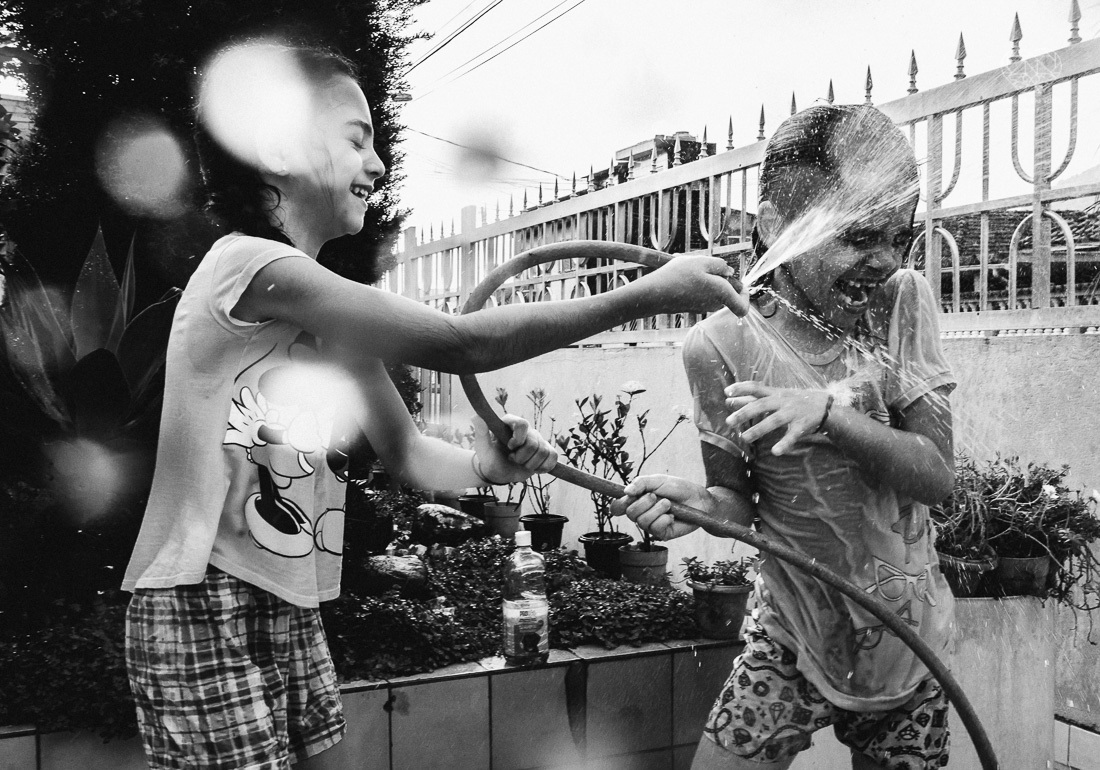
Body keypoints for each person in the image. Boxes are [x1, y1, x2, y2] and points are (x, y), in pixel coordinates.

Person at [121, 40, 747, 770]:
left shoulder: (323, 313)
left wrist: (487, 463)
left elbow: (410, 452)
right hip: (200, 600)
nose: (379, 164)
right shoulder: (246, 265)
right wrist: (648, 293)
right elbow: (459, 342)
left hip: (286, 602)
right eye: (356, 139)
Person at [612, 104, 956, 770]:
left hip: (905, 635)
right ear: (778, 230)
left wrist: (829, 415)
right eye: (858, 238)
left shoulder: (903, 302)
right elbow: (736, 501)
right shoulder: (719, 345)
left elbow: (936, 475)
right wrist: (697, 506)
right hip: (791, 630)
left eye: (899, 236)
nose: (885, 260)